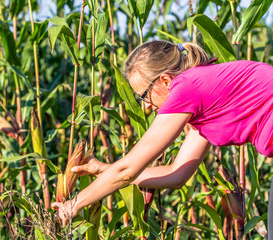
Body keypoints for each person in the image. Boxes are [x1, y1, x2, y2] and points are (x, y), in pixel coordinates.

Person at [51, 40, 273, 238]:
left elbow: (126, 171)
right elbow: (176, 174)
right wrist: (103, 170)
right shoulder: (204, 94)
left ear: (166, 80)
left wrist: (75, 204)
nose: (146, 106)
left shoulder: (187, 88)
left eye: (144, 95)